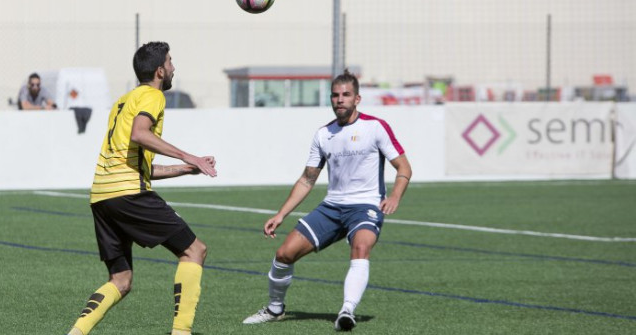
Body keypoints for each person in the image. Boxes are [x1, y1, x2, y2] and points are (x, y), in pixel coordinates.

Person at [65, 42, 217, 335]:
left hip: (103, 195)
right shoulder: (152, 96)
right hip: (127, 193)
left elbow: (138, 165)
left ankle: (76, 333)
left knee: (120, 279)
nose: (174, 67)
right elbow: (140, 134)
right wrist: (189, 155)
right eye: (171, 62)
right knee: (195, 250)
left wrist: (187, 169)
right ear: (160, 71)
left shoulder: (125, 101)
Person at [242, 70, 412, 331]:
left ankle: (347, 311)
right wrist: (280, 215)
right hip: (332, 207)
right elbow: (307, 180)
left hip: (365, 206)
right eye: (335, 95)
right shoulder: (323, 135)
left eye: (346, 95)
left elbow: (404, 168)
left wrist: (395, 196)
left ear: (357, 99)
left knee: (361, 248)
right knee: (284, 254)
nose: (339, 100)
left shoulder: (375, 127)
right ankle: (275, 309)